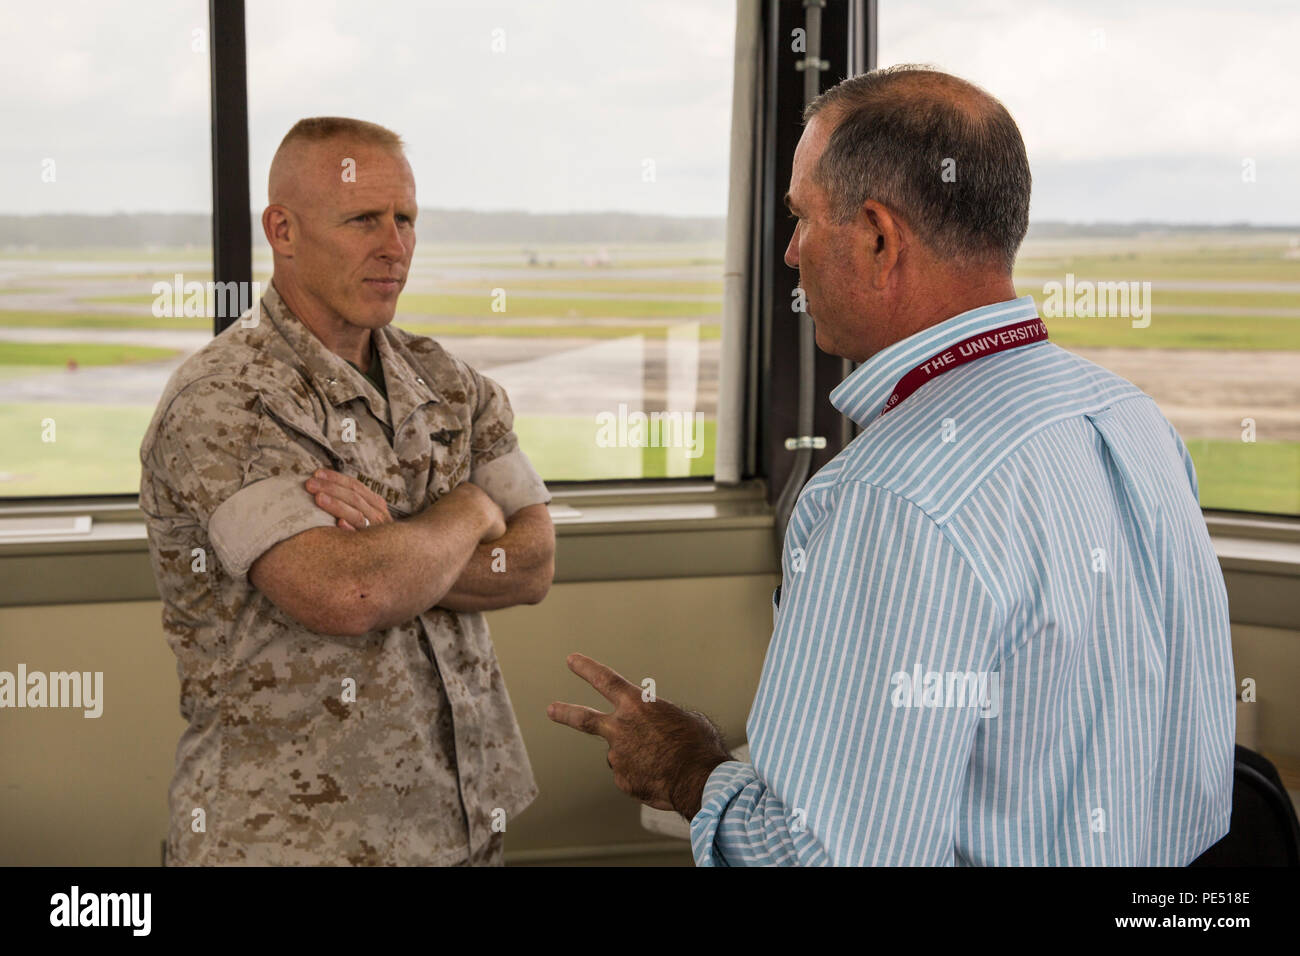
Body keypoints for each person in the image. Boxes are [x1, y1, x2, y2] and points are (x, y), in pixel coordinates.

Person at [548, 65, 1235, 866]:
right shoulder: (1133, 419)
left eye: (802, 218)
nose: (790, 252)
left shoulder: (891, 497)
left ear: (878, 236)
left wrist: (694, 770)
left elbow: (824, 858)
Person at [139, 117, 554, 865]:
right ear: (283, 230)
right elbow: (346, 595)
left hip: (465, 824)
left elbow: (532, 564)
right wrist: (467, 509)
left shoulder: (449, 384)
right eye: (364, 218)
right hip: (293, 842)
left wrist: (394, 551)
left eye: (406, 220)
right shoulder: (224, 399)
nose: (394, 247)